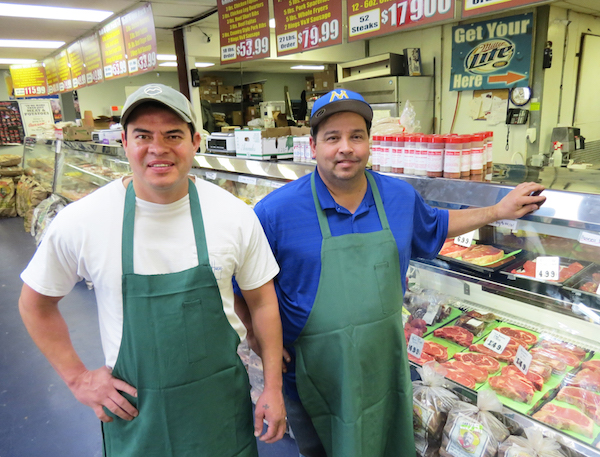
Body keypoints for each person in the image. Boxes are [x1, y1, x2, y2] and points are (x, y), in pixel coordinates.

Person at [235, 88, 546, 457]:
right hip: (312, 372)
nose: (345, 148)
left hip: (384, 363)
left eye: (356, 136)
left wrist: (497, 211)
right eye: (332, 138)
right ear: (313, 144)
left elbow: (437, 224)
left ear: (370, 142)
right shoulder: (275, 211)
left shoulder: (399, 197)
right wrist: (256, 336)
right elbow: (246, 285)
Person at [18, 83, 286, 456]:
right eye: (143, 135)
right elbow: (35, 303)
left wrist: (272, 387)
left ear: (195, 141)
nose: (157, 148)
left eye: (173, 135)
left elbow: (263, 304)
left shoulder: (235, 216)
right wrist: (78, 378)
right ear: (124, 143)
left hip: (221, 409)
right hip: (136, 414)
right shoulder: (83, 221)